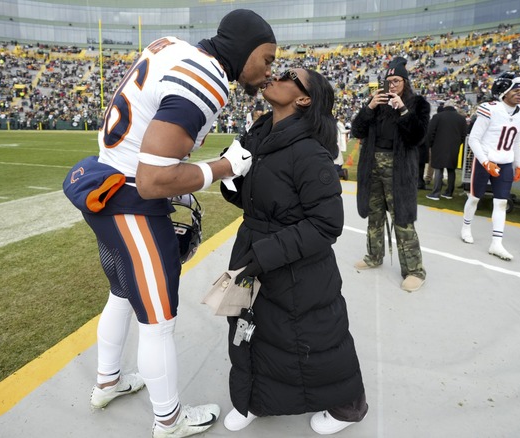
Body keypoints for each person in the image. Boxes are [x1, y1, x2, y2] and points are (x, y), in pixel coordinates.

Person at [78, 10, 276, 438]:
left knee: (120, 294)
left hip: (106, 178)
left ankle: (107, 382)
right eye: (267, 58)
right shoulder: (206, 79)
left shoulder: (173, 47)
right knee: (158, 320)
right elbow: (153, 180)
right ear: (245, 52)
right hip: (130, 199)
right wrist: (222, 167)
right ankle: (168, 420)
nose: (269, 70)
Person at [219, 68, 368, 435]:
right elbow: (256, 198)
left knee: (312, 338)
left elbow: (327, 223)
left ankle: (348, 406)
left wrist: (268, 252)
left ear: (303, 99)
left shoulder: (310, 153)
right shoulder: (259, 136)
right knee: (250, 329)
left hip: (298, 268)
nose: (276, 74)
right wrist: (229, 178)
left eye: (289, 76)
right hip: (254, 249)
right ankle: (253, 399)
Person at [351, 57, 430, 292]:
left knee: (402, 219)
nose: (392, 85)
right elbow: (357, 130)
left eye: (396, 81)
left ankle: (415, 270)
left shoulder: (417, 104)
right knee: (374, 215)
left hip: (399, 169)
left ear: (405, 82)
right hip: (373, 165)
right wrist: (369, 108)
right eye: (388, 81)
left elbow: (417, 137)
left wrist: (403, 110)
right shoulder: (376, 104)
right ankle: (374, 256)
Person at [460, 72, 520, 261]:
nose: (519, 93)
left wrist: (519, 164)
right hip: (485, 160)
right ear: (503, 91)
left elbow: (515, 139)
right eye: (515, 90)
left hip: (506, 162)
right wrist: (485, 162)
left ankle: (496, 243)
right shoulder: (490, 109)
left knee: (501, 202)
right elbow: (473, 139)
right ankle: (466, 227)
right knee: (474, 197)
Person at [425, 99, 468, 201]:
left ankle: (436, 193)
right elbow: (464, 135)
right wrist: (458, 143)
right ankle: (449, 192)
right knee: (451, 169)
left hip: (438, 146)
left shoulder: (437, 117)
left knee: (438, 169)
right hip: (454, 147)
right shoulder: (461, 119)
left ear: (444, 106)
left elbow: (430, 132)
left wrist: (430, 145)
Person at [334, 114, 350, 179]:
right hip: (338, 163)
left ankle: (342, 172)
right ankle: (342, 172)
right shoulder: (338, 124)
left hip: (336, 164)